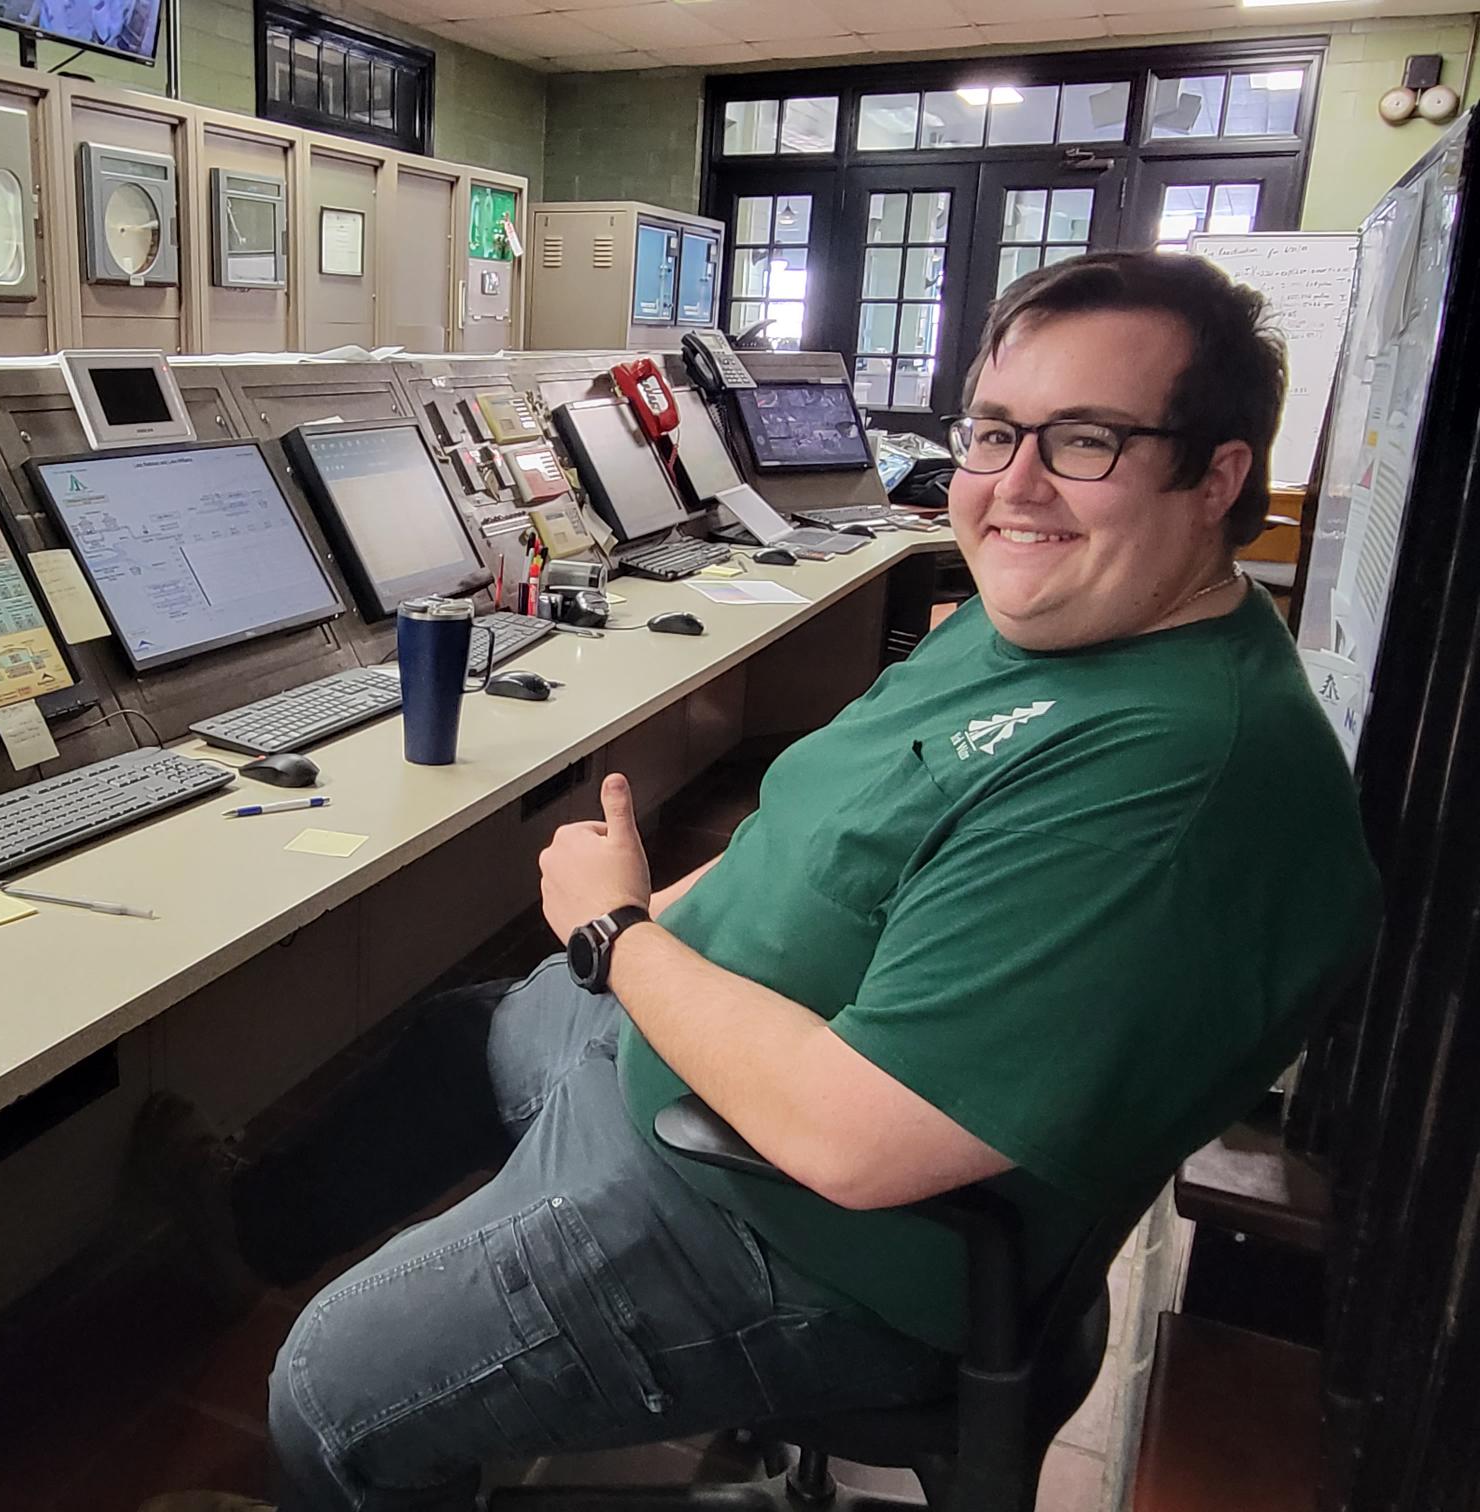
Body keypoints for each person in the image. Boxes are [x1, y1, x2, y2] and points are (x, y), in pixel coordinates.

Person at [141, 251, 1382, 1512]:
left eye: (1085, 443)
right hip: (702, 1067)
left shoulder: (1170, 777)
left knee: (331, 1396)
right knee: (470, 1037)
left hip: (798, 1225)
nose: (1011, 488)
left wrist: (619, 932)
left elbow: (853, 1140)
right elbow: (833, 822)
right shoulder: (1047, 627)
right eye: (995, 433)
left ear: (1219, 475)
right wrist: (653, 927)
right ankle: (244, 1244)